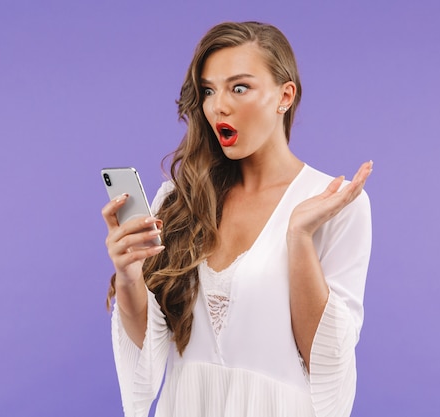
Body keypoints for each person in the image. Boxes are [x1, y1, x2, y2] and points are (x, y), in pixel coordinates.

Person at [101, 21, 373, 417]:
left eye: (239, 87)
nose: (218, 106)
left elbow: (327, 364)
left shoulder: (334, 204)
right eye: (209, 91)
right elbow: (149, 349)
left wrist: (298, 236)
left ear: (285, 95)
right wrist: (128, 276)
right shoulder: (179, 201)